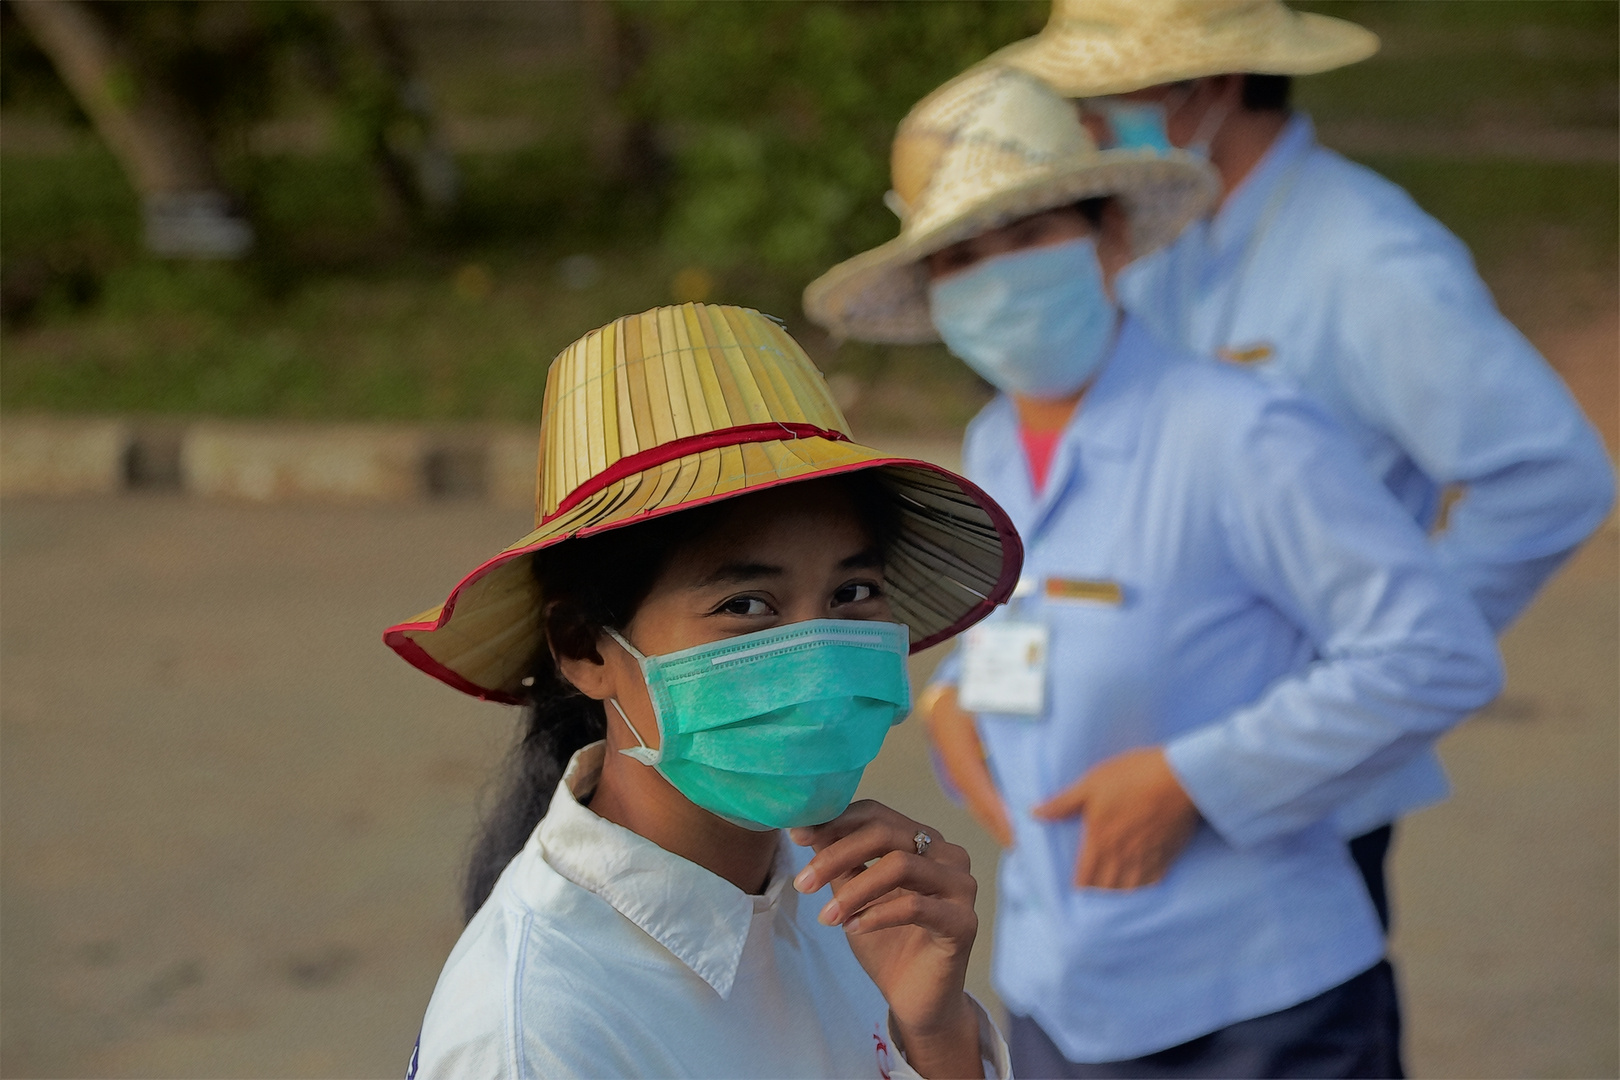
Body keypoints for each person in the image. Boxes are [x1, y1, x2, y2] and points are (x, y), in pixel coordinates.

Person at [804, 65, 1503, 1077]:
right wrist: (964, 689)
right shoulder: (994, 441)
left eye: (1031, 235)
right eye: (962, 255)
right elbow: (1051, 620)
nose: (998, 275)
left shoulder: (1244, 431)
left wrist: (1193, 780)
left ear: (1111, 238)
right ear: (932, 295)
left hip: (1262, 1005)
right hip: (1058, 989)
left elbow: (1436, 655)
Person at [988, 0, 1617, 932]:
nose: (1082, 125)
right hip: (1139, 752)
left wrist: (1380, 653)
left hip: (1292, 763)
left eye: (1105, 95)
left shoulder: (1369, 261)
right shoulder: (1161, 233)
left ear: (1213, 86)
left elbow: (1551, 475)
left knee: (1298, 1018)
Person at [386, 303, 1025, 1078]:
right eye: (746, 606)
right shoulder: (535, 1034)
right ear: (584, 646)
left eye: (854, 592)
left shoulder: (842, 901)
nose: (817, 659)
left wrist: (937, 1036)